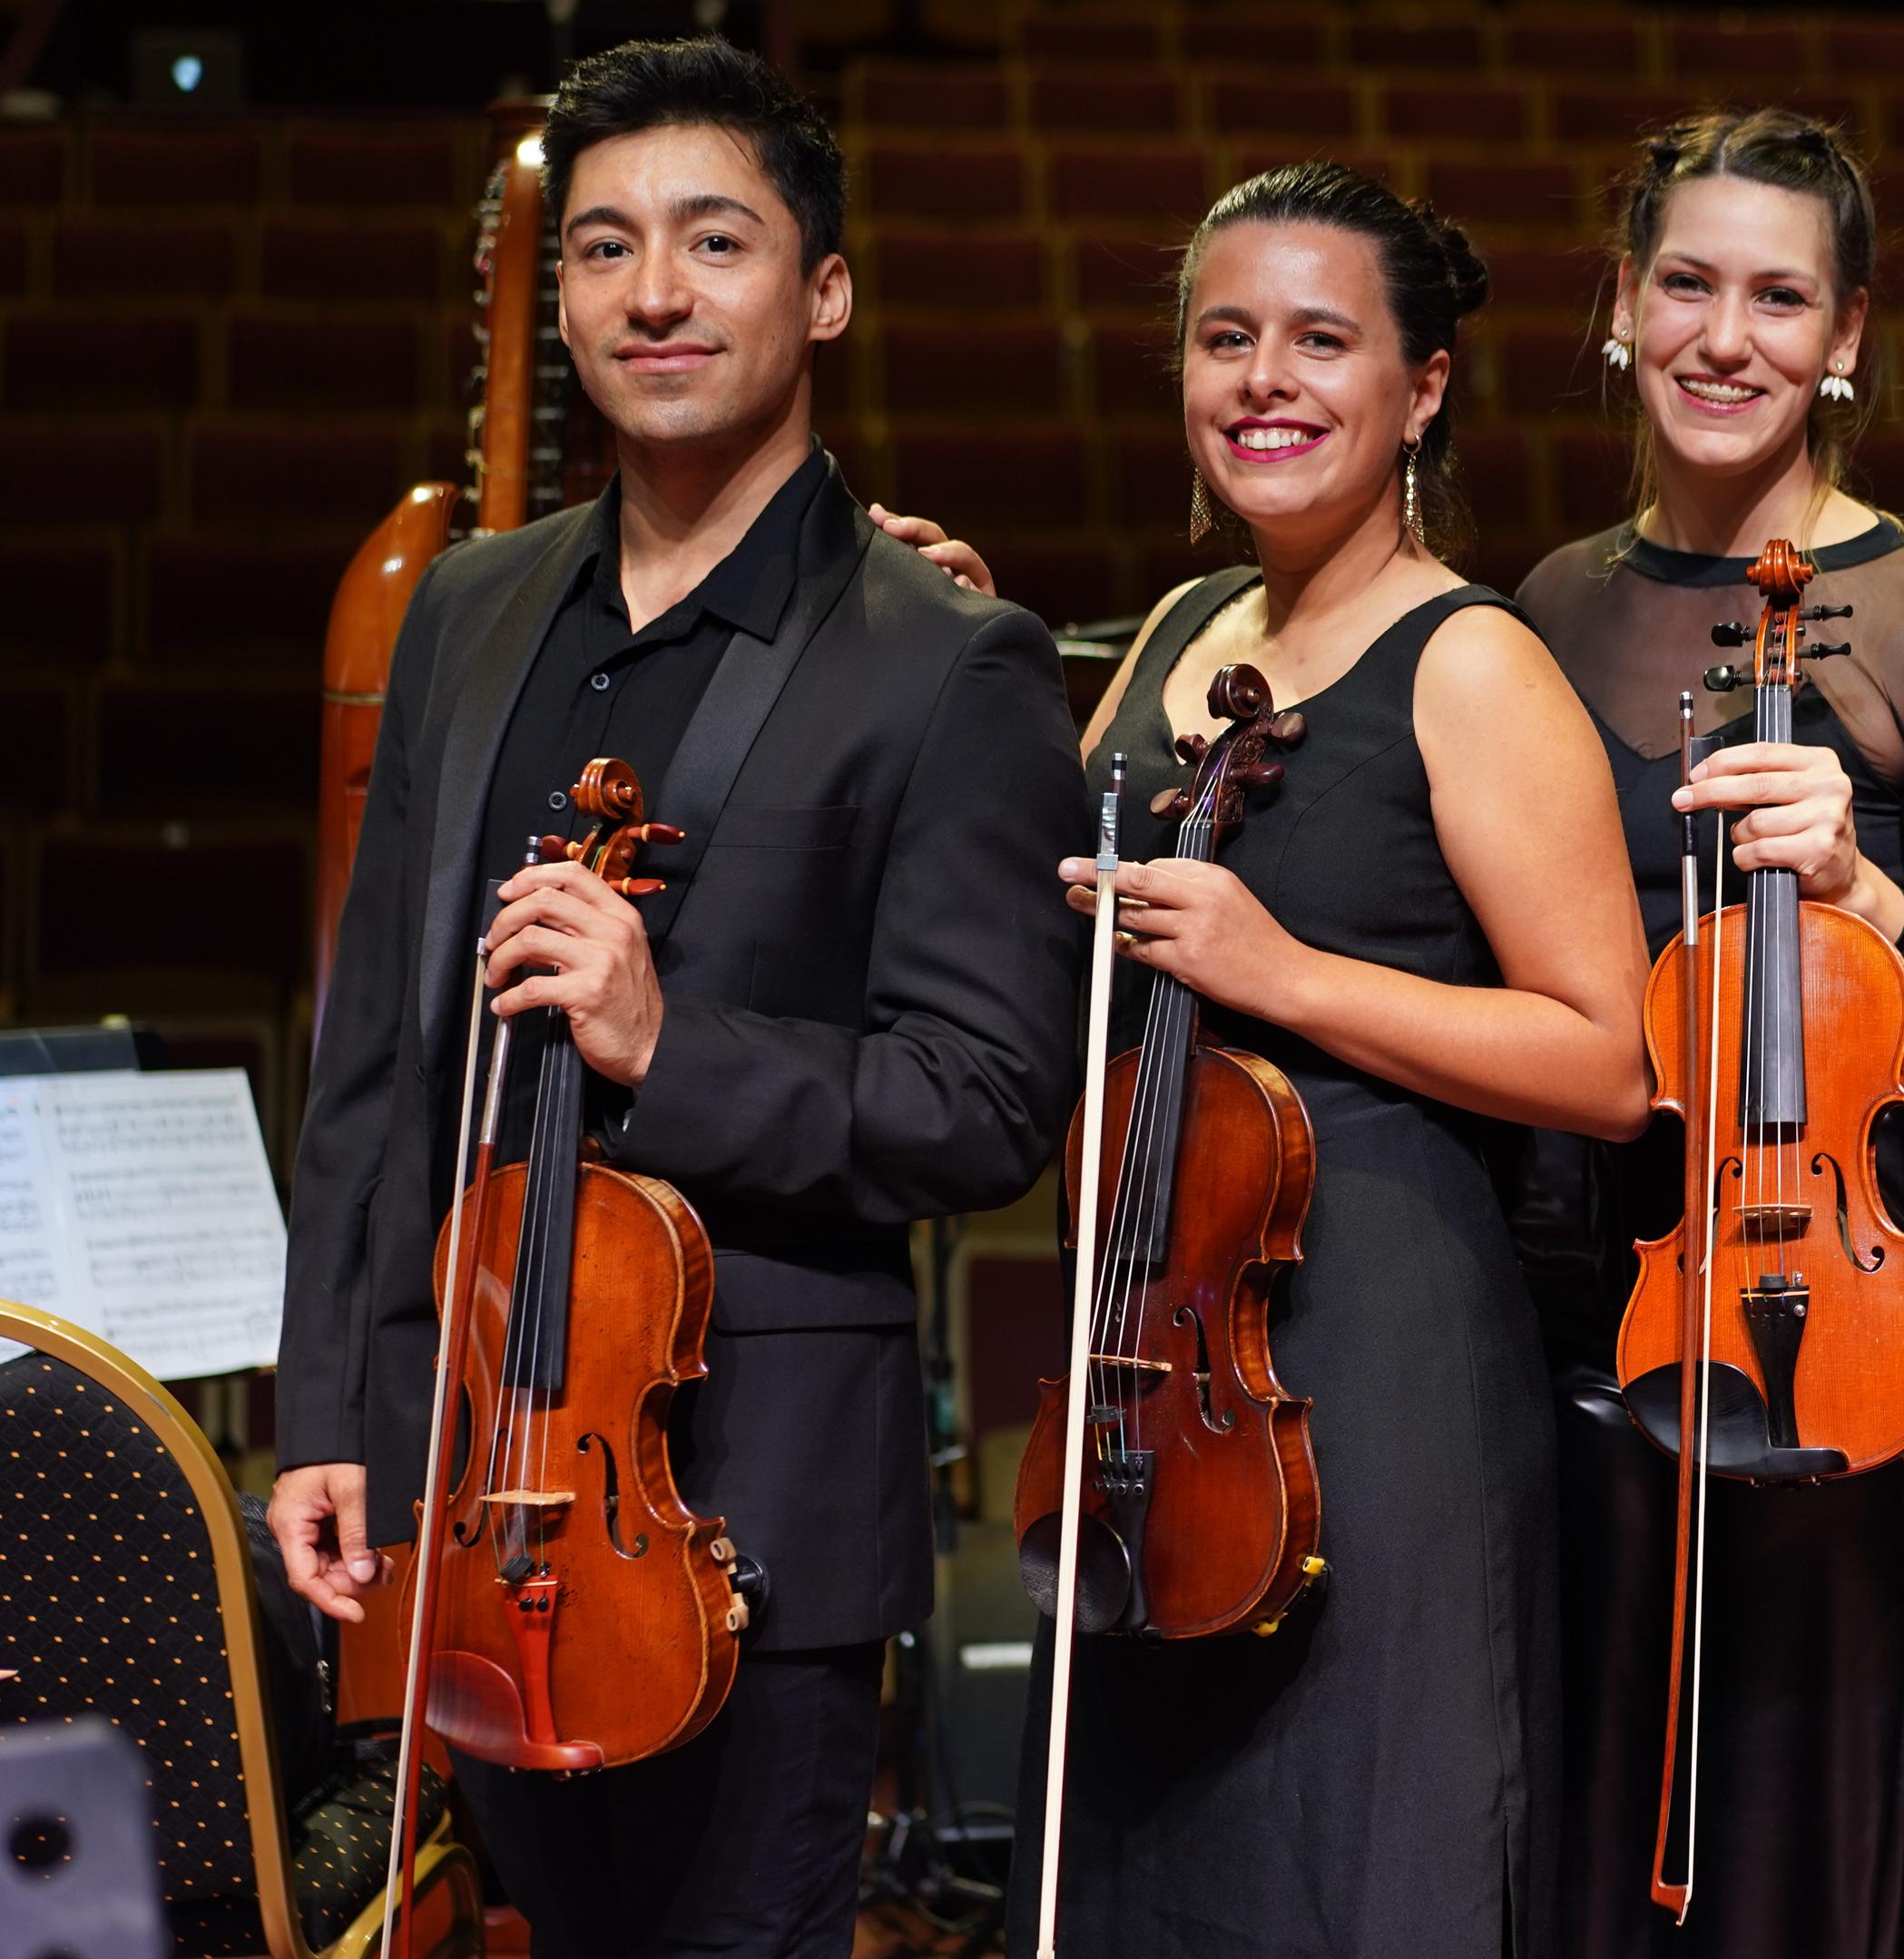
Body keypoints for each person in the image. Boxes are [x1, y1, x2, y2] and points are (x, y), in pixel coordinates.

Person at [265, 39, 1086, 1959]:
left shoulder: (948, 660)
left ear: (825, 291)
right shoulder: (469, 607)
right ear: (559, 299)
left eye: (715, 242)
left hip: (751, 1522)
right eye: (604, 246)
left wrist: (666, 1045)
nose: (654, 293)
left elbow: (985, 1103)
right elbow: (377, 1058)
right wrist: (331, 1412)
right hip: (482, 1488)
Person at [1008, 161, 1653, 1959]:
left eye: (1319, 341)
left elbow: (1607, 1061)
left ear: (1421, 385)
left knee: (1358, 1861)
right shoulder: (1176, 636)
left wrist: (1283, 972)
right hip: (1159, 1356)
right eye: (1225, 339)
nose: (1263, 382)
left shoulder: (1473, 661)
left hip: (1378, 1356)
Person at [1504, 108, 1904, 1959]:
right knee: (1575, 1863)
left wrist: (1867, 893)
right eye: (1687, 285)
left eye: (1780, 298)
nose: (1725, 338)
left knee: (1781, 1883)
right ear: (1622, 304)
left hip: (1830, 1326)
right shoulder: (1550, 606)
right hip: (1574, 1299)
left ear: (1847, 335)